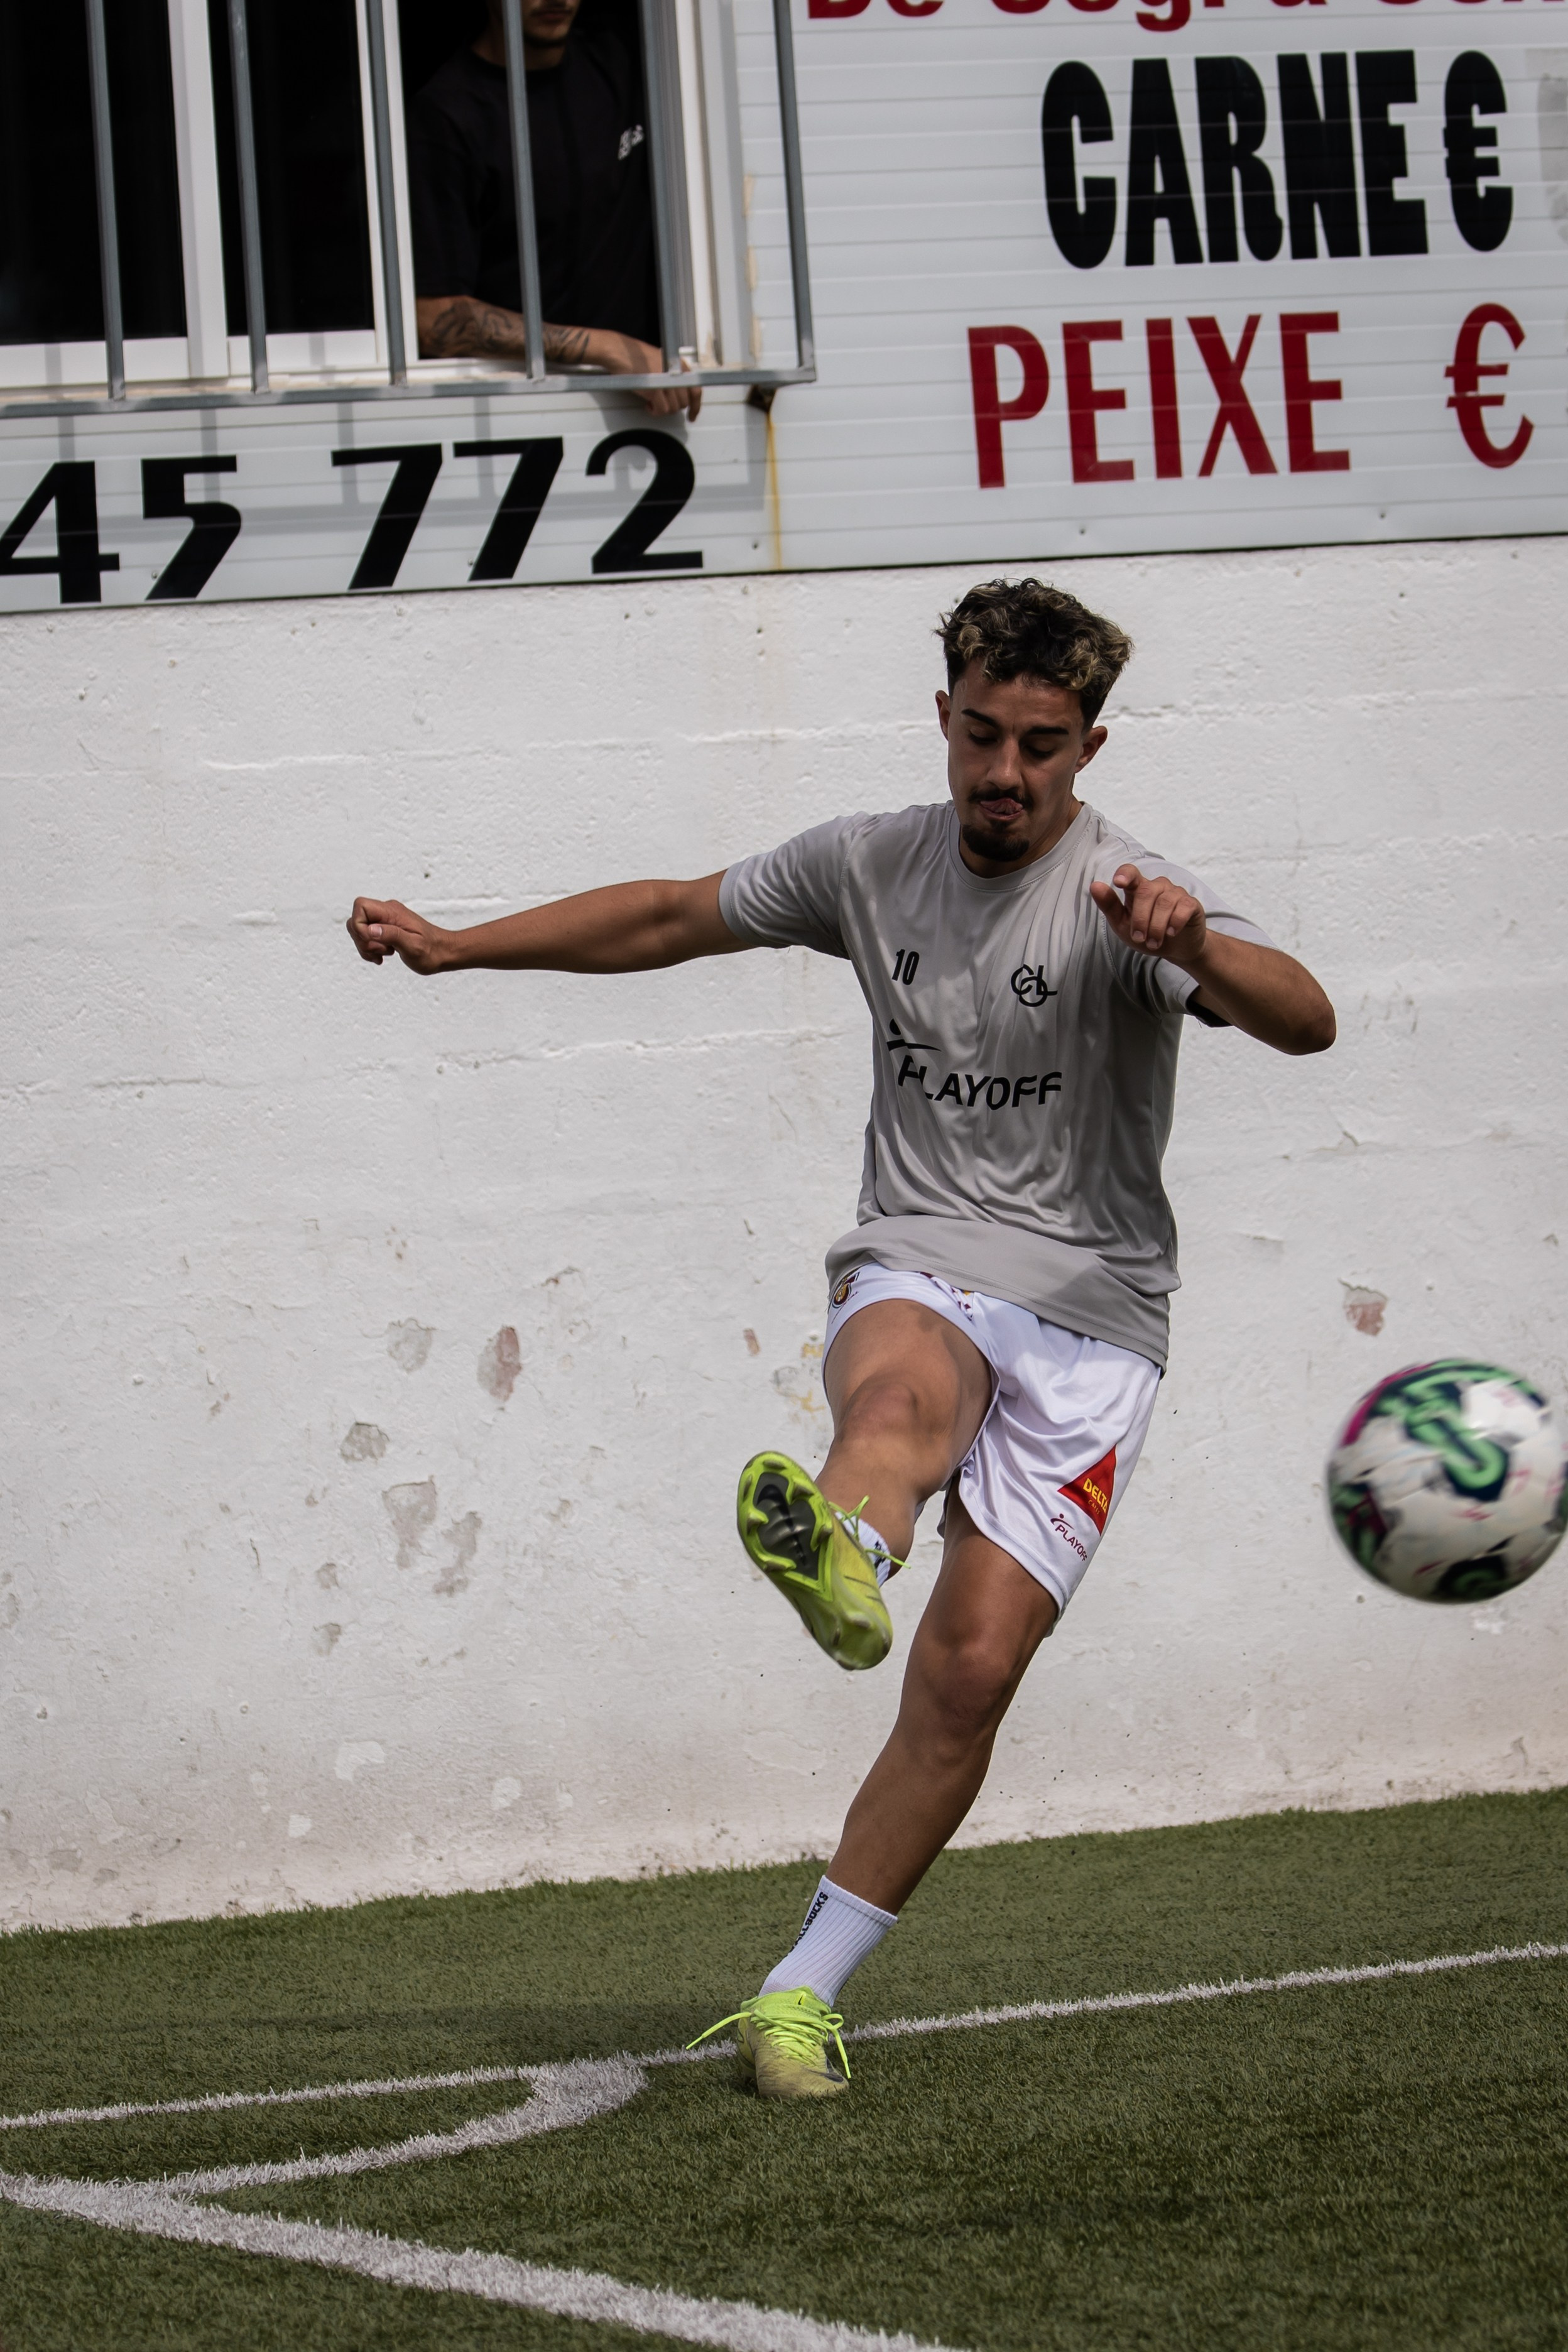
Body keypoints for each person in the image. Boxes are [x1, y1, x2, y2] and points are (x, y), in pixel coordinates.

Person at [344, 577, 1335, 2100]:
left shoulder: (1131, 896)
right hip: (923, 1251)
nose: (1005, 772)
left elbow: (1303, 1013)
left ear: (1088, 748)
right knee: (893, 1396)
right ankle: (845, 1547)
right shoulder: (871, 863)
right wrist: (465, 945)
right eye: (983, 734)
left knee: (973, 1666)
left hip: (1097, 1317)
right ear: (943, 717)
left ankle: (795, 1996)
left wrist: (1194, 941)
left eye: (1043, 746)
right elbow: (674, 912)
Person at [407, 0, 700, 418]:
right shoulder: (448, 116)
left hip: (652, 400)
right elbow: (434, 319)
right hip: (521, 407)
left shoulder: (625, 62)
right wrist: (609, 348)